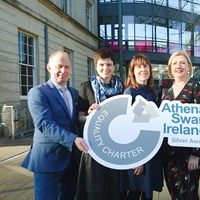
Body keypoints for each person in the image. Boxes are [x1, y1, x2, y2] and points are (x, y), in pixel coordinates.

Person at [21, 50, 89, 200]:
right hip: (48, 160)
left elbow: (76, 119)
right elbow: (45, 124)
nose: (63, 71)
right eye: (59, 66)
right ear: (49, 67)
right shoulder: (38, 92)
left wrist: (90, 114)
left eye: (67, 67)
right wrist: (73, 139)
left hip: (71, 160)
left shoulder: (75, 93)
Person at [75, 48, 124, 200]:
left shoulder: (122, 88)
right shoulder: (86, 87)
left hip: (117, 145)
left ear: (114, 67)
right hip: (94, 145)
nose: (105, 68)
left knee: (114, 188)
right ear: (96, 66)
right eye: (101, 65)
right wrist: (89, 115)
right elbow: (79, 117)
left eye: (109, 64)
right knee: (95, 189)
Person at [157, 51, 200, 200]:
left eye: (183, 63)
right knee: (174, 193)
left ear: (189, 67)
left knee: (189, 194)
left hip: (187, 152)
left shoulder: (196, 87)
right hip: (168, 151)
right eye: (175, 63)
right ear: (170, 68)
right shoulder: (164, 90)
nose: (179, 66)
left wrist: (195, 155)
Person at [119, 54, 163, 200]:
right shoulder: (130, 92)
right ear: (132, 71)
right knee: (134, 193)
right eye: (138, 67)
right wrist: (137, 160)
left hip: (150, 152)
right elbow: (128, 128)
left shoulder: (150, 92)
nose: (143, 69)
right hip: (137, 154)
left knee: (146, 194)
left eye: (145, 66)